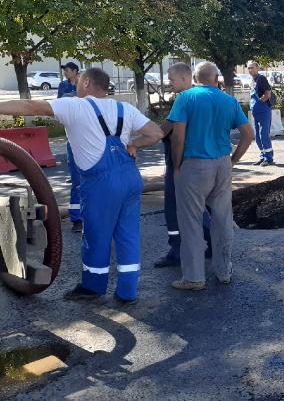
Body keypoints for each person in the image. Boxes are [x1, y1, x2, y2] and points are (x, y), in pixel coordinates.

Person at [0, 68, 163, 304]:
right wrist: (134, 145)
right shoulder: (125, 108)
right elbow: (156, 133)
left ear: (86, 82)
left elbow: (29, 107)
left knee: (97, 235)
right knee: (128, 235)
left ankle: (92, 287)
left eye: (79, 82)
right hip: (130, 179)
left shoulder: (74, 106)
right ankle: (128, 291)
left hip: (101, 184)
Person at [168, 62, 254, 290]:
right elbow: (248, 135)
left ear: (195, 78)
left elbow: (178, 137)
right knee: (223, 219)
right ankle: (224, 271)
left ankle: (194, 277)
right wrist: (232, 160)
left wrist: (177, 165)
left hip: (194, 166)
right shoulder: (229, 100)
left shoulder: (186, 98)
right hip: (222, 164)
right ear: (217, 78)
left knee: (191, 222)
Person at [153, 62, 213, 268]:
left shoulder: (184, 100)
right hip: (203, 162)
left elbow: (169, 132)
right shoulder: (205, 98)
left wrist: (175, 166)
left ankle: (177, 250)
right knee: (199, 207)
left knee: (174, 207)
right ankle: (212, 243)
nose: (169, 83)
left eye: (171, 79)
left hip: (179, 163)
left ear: (185, 79)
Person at [58, 62, 83, 233]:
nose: (66, 73)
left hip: (86, 136)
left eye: (68, 70)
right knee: (76, 179)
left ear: (75, 71)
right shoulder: (62, 86)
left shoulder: (85, 84)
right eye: (65, 70)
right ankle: (77, 219)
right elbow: (60, 107)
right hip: (72, 138)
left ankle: (95, 215)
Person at [247, 60, 274, 166]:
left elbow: (268, 94)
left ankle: (269, 158)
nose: (250, 70)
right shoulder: (252, 80)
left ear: (257, 68)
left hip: (263, 111)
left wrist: (259, 102)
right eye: (248, 68)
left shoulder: (261, 78)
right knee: (257, 135)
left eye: (252, 67)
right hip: (256, 112)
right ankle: (263, 156)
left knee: (263, 134)